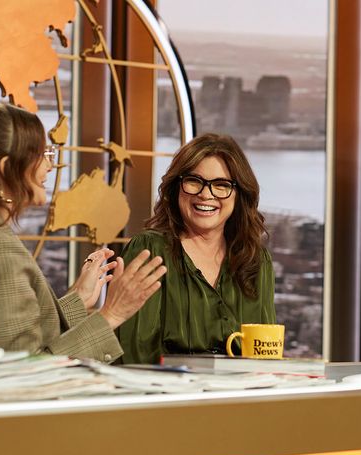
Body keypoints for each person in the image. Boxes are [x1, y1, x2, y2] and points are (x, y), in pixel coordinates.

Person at [0, 95, 167, 362]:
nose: (50, 165)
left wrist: (78, 299)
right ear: (6, 169)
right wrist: (112, 314)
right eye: (42, 155)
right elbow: (29, 369)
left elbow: (10, 328)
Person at [117, 133, 275, 364]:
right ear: (176, 187)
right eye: (194, 181)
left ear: (239, 194)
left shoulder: (256, 259)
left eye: (222, 185)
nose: (206, 194)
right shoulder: (150, 250)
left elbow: (266, 354)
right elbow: (133, 354)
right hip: (168, 394)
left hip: (239, 394)